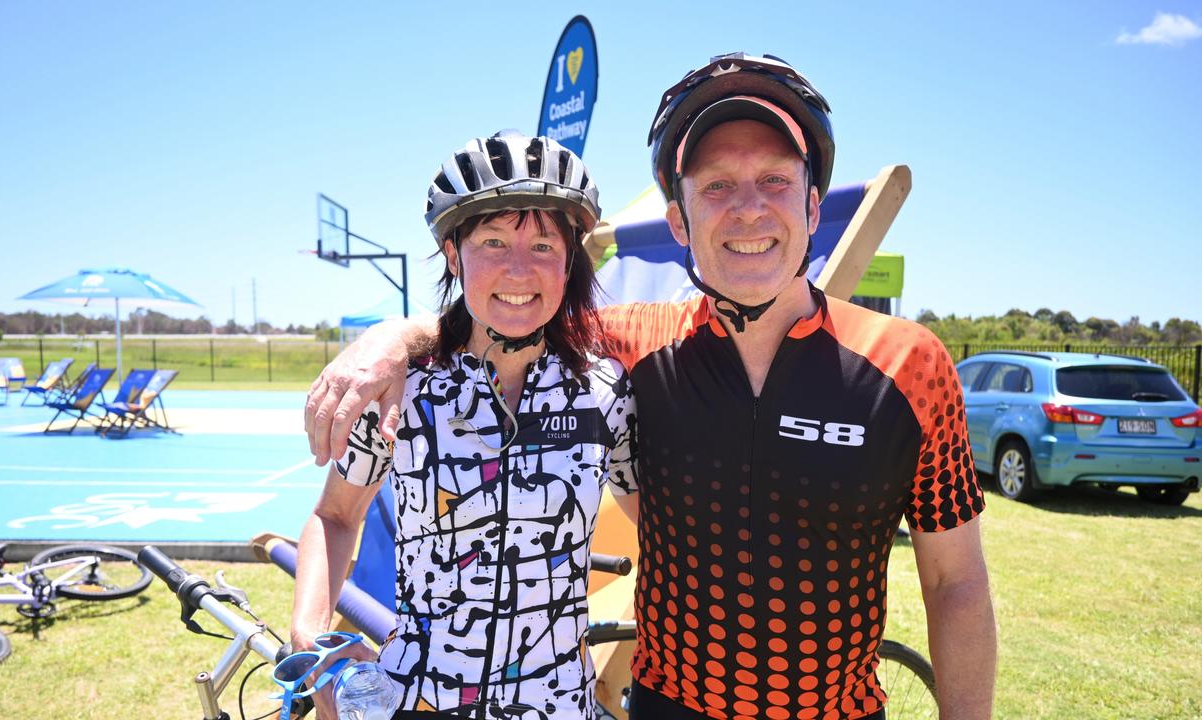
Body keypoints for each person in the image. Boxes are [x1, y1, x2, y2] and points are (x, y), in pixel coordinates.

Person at [305, 54, 996, 720]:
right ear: (679, 222)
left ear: (814, 207)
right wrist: (392, 341)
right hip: (663, 706)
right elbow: (513, 311)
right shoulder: (631, 344)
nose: (749, 209)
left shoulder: (911, 362)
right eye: (717, 186)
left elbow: (956, 582)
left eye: (776, 181)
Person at [290, 131, 639, 720]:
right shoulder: (401, 389)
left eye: (544, 247)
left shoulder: (605, 391)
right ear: (454, 254)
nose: (519, 270)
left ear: (570, 258)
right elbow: (335, 515)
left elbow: (661, 533)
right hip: (420, 698)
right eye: (493, 242)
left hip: (558, 705)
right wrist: (308, 637)